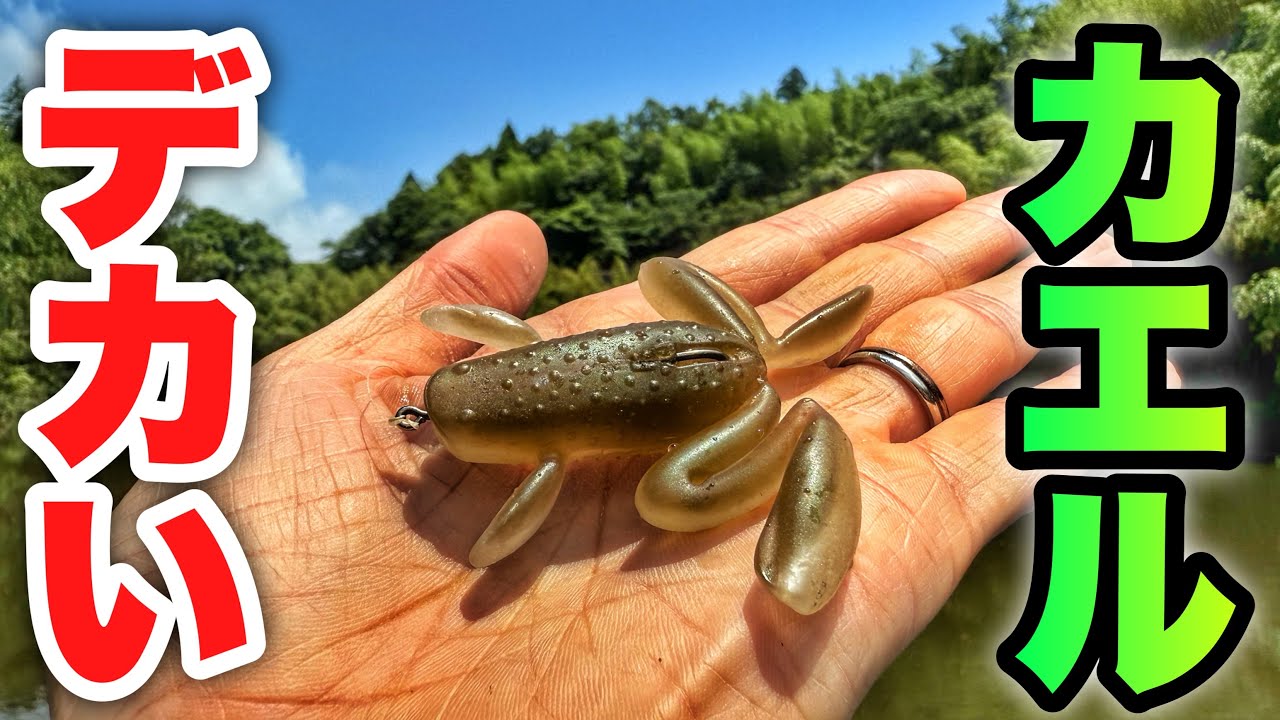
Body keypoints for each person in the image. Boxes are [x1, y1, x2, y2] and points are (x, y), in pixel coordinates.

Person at [54, 169, 1127, 718]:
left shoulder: (524, 388)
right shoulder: (494, 383)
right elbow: (513, 502)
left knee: (684, 485)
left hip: (723, 377)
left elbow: (518, 522)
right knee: (676, 488)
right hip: (716, 363)